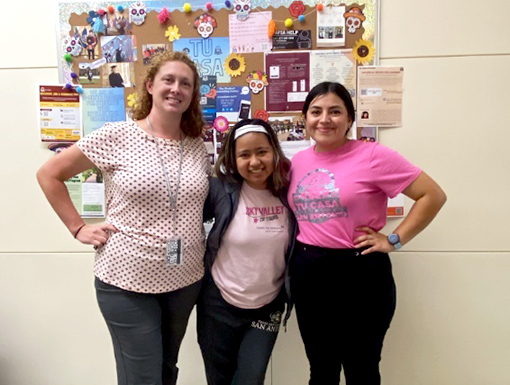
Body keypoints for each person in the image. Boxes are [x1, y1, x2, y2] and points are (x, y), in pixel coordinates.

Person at [37, 51, 211, 385]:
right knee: (142, 377)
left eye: (185, 84)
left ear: (192, 94)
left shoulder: (195, 145)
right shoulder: (116, 135)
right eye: (168, 80)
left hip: (185, 279)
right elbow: (49, 174)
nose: (176, 89)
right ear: (150, 86)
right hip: (127, 280)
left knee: (166, 370)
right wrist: (78, 228)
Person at [287, 81, 447, 385]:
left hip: (360, 274)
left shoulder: (374, 156)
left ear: (350, 119)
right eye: (316, 111)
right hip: (309, 273)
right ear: (305, 118)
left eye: (335, 111)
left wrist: (393, 240)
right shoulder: (298, 162)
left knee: (362, 369)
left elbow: (432, 195)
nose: (325, 119)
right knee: (321, 370)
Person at [198, 119, 297, 385]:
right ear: (233, 158)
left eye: (262, 152)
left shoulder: (289, 192)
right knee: (219, 380)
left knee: (251, 378)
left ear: (274, 151)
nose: (255, 162)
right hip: (218, 303)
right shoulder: (220, 190)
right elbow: (178, 219)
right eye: (245, 154)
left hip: (268, 305)